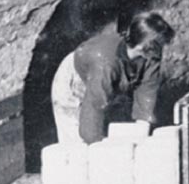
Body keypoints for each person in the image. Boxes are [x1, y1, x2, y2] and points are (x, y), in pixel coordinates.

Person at [50, 12, 176, 145]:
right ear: (143, 47)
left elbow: (148, 88)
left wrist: (143, 125)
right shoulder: (105, 63)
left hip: (104, 77)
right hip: (74, 83)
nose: (161, 51)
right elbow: (94, 106)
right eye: (159, 46)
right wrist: (96, 146)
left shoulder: (151, 53)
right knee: (78, 145)